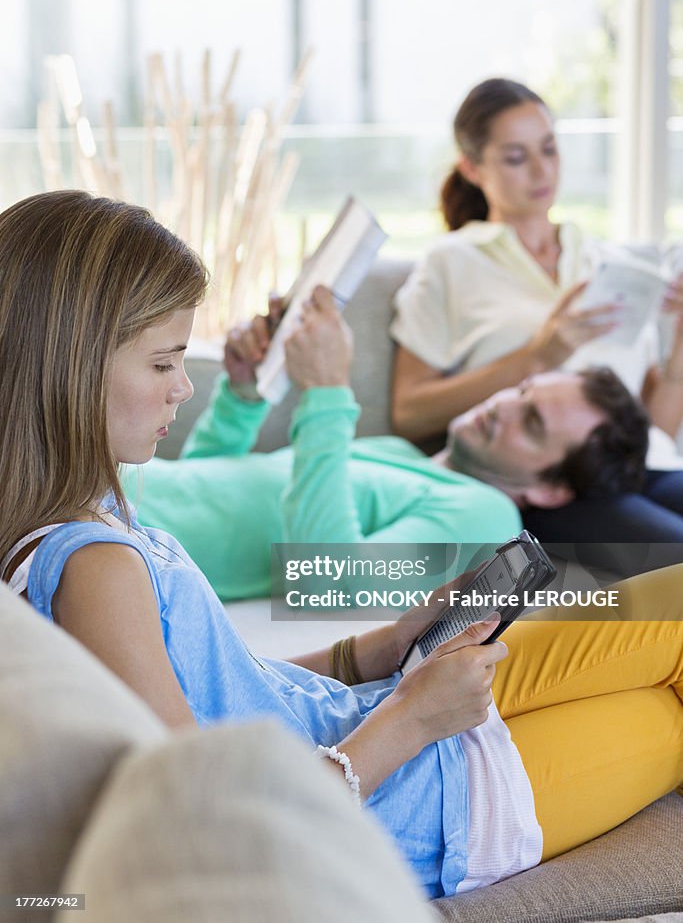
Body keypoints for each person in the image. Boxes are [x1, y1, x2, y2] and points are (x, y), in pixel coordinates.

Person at [1, 190, 681, 901]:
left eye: (531, 423)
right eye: (163, 364)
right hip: (394, 790)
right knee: (666, 710)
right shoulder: (96, 552)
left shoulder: (472, 505)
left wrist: (377, 651)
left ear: (547, 491)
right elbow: (214, 819)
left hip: (365, 730)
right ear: (72, 367)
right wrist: (406, 713)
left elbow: (244, 654)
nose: (180, 389)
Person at [121, 291, 648, 601]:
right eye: (522, 392)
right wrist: (242, 391)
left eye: (531, 422)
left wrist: (327, 391)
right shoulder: (400, 454)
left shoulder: (485, 518)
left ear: (553, 489)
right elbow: (207, 485)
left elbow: (326, 582)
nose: (503, 406)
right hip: (119, 490)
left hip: (107, 525)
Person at [390, 77, 683, 547]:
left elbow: (657, 437)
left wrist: (678, 364)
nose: (541, 170)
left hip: (646, 469)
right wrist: (539, 356)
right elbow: (408, 412)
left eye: (549, 149)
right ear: (471, 167)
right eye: (515, 156)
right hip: (550, 483)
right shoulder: (451, 262)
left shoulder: (600, 260)